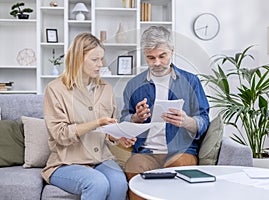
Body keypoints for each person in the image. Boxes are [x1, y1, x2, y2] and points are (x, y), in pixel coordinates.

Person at [41, 32, 135, 200]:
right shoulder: (55, 89)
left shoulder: (106, 88)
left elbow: (108, 131)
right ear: (78, 58)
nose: (101, 64)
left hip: (100, 159)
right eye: (94, 60)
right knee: (97, 183)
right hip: (65, 163)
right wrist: (96, 123)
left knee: (120, 184)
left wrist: (119, 137)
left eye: (101, 59)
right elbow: (60, 135)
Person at [121, 26, 210, 199]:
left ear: (172, 51)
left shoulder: (191, 81)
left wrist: (186, 121)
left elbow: (204, 119)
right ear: (144, 55)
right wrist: (135, 118)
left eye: (162, 56)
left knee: (178, 172)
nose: (157, 63)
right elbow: (124, 119)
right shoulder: (134, 85)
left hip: (181, 151)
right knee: (133, 168)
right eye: (150, 57)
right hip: (146, 152)